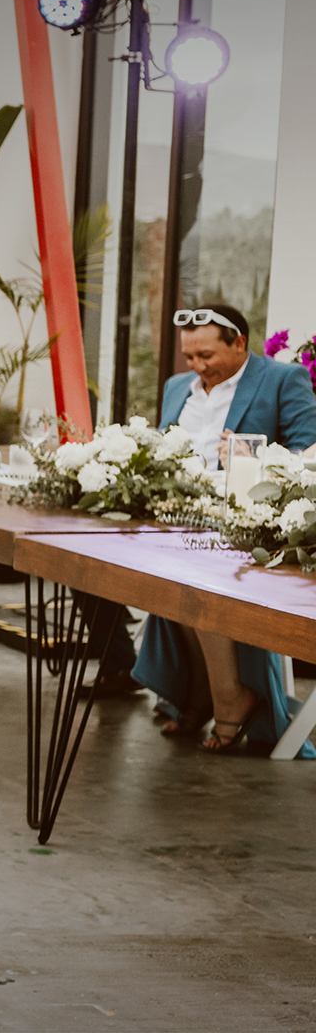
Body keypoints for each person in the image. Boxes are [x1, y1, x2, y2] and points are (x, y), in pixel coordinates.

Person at [132, 303, 316, 754]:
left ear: (239, 343)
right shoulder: (178, 387)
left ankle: (228, 697)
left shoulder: (281, 380)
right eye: (189, 356)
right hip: (178, 515)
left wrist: (254, 458)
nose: (197, 367)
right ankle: (204, 692)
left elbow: (310, 452)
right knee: (150, 576)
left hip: (244, 526)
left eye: (207, 356)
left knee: (194, 578)